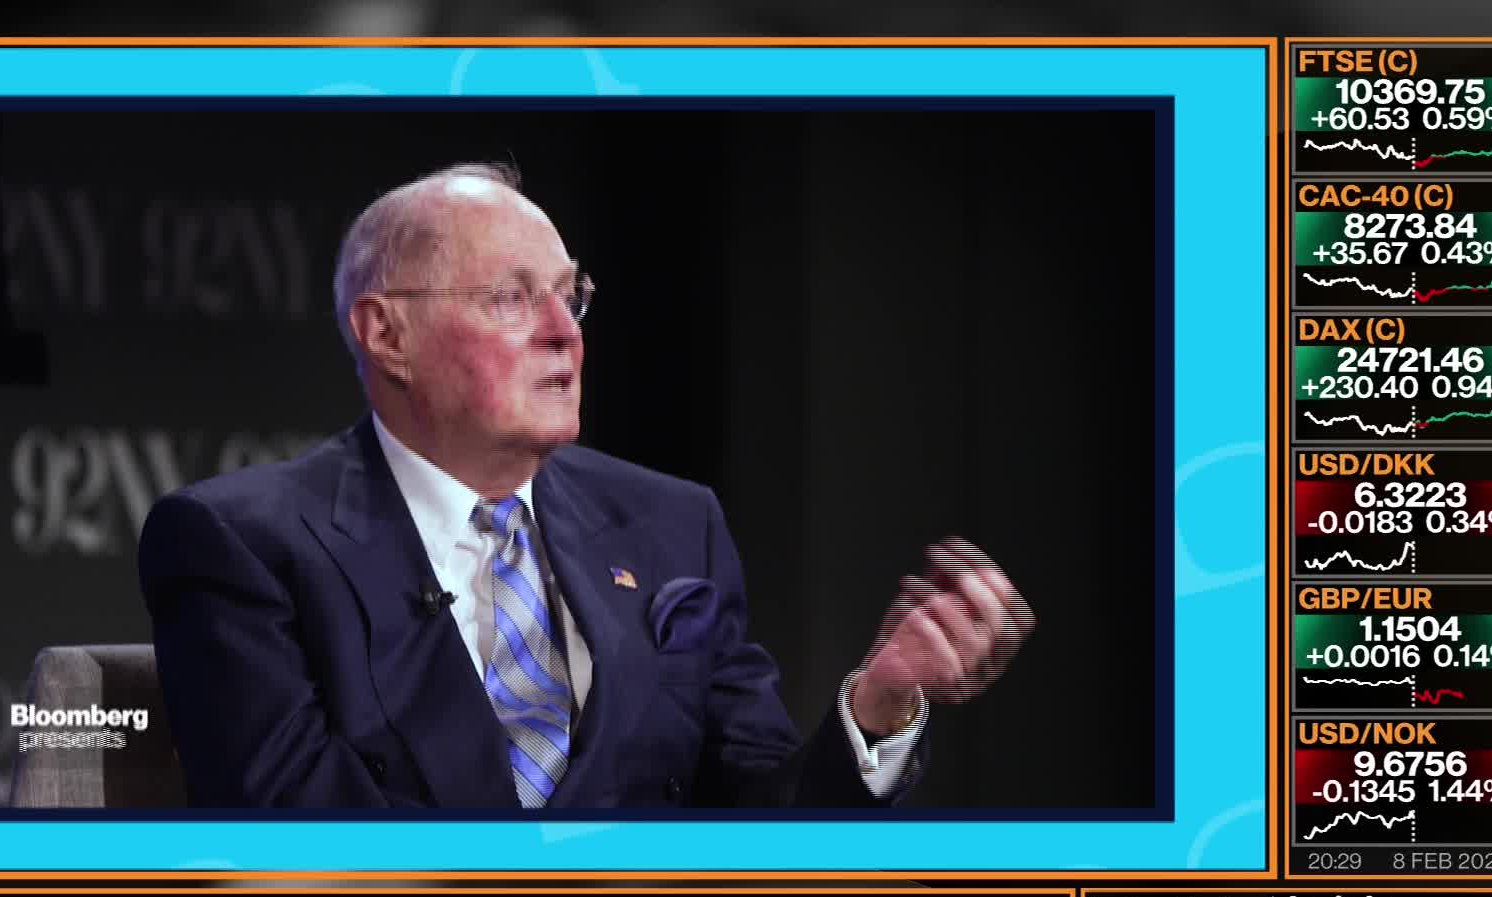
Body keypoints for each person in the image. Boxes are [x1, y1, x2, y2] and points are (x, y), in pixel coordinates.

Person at [137, 163, 1033, 810]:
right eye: (512, 299)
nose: (565, 333)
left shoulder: (673, 526)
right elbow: (300, 835)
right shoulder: (242, 543)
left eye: (572, 298)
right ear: (387, 335)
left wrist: (877, 704)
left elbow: (760, 814)